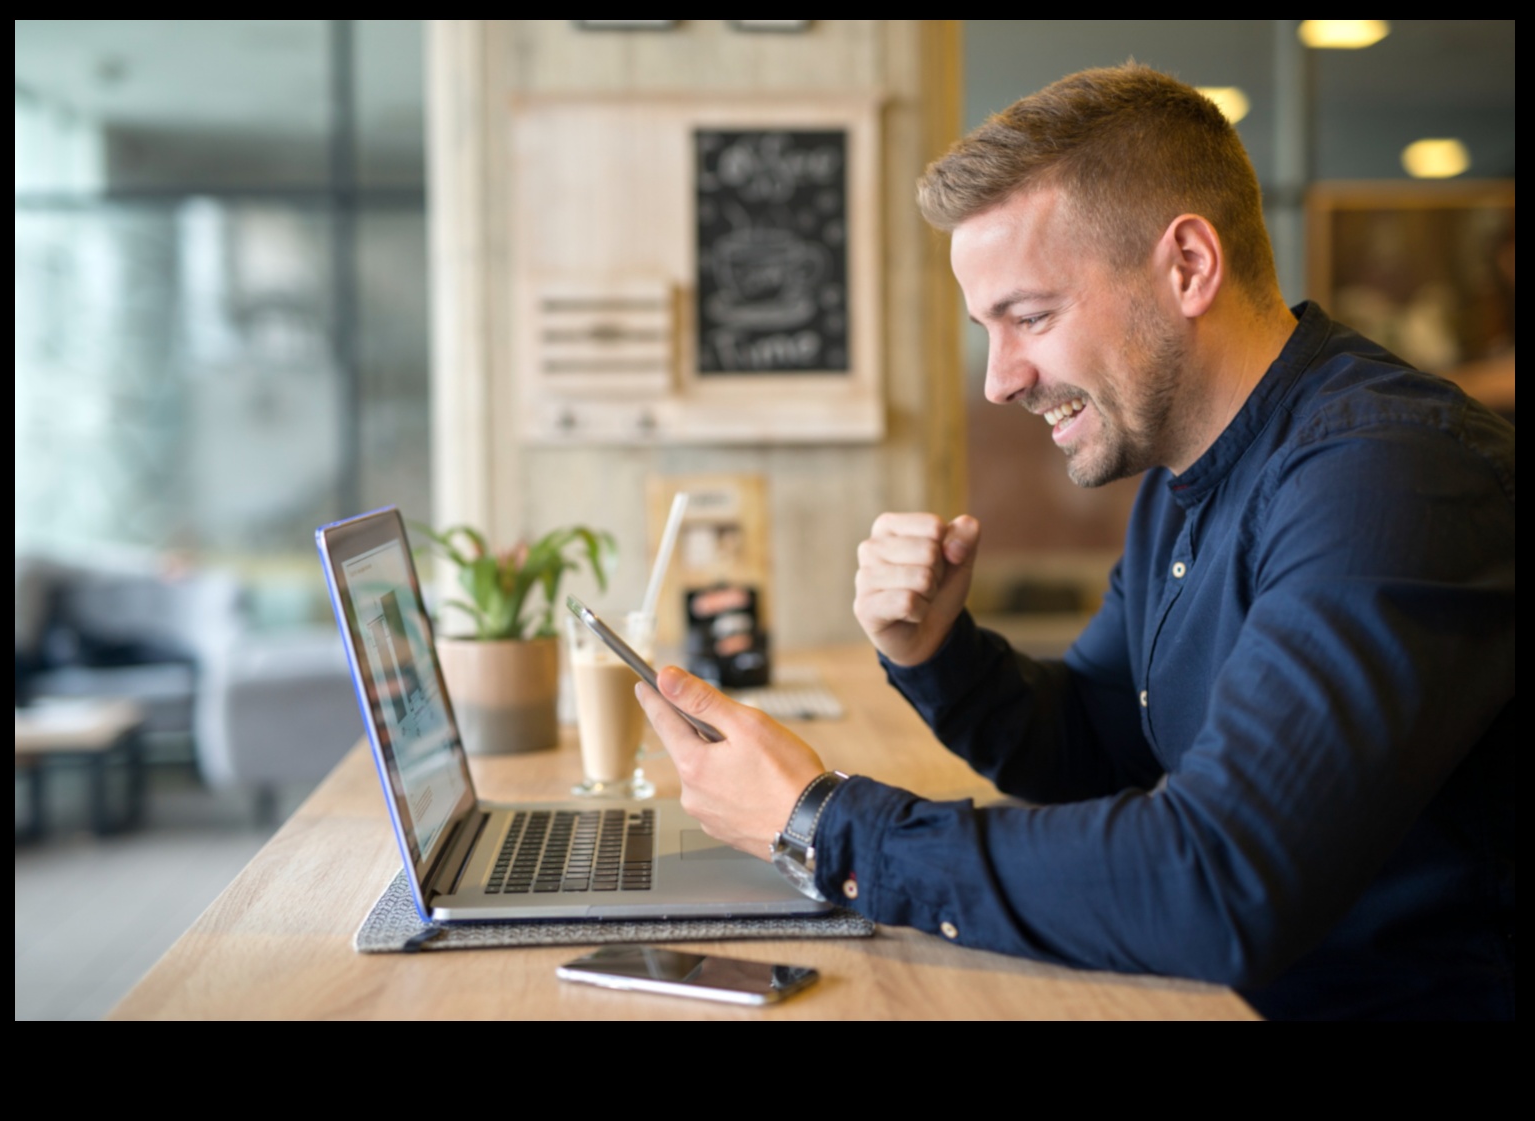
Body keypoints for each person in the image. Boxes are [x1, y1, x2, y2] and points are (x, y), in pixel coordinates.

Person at [635, 65, 1515, 1020]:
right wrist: (935, 650)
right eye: (988, 329)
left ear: (1187, 265)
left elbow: (1218, 881)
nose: (1000, 380)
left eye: (1031, 316)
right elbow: (1099, 743)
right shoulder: (1187, 472)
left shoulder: (1389, 474)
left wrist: (824, 824)